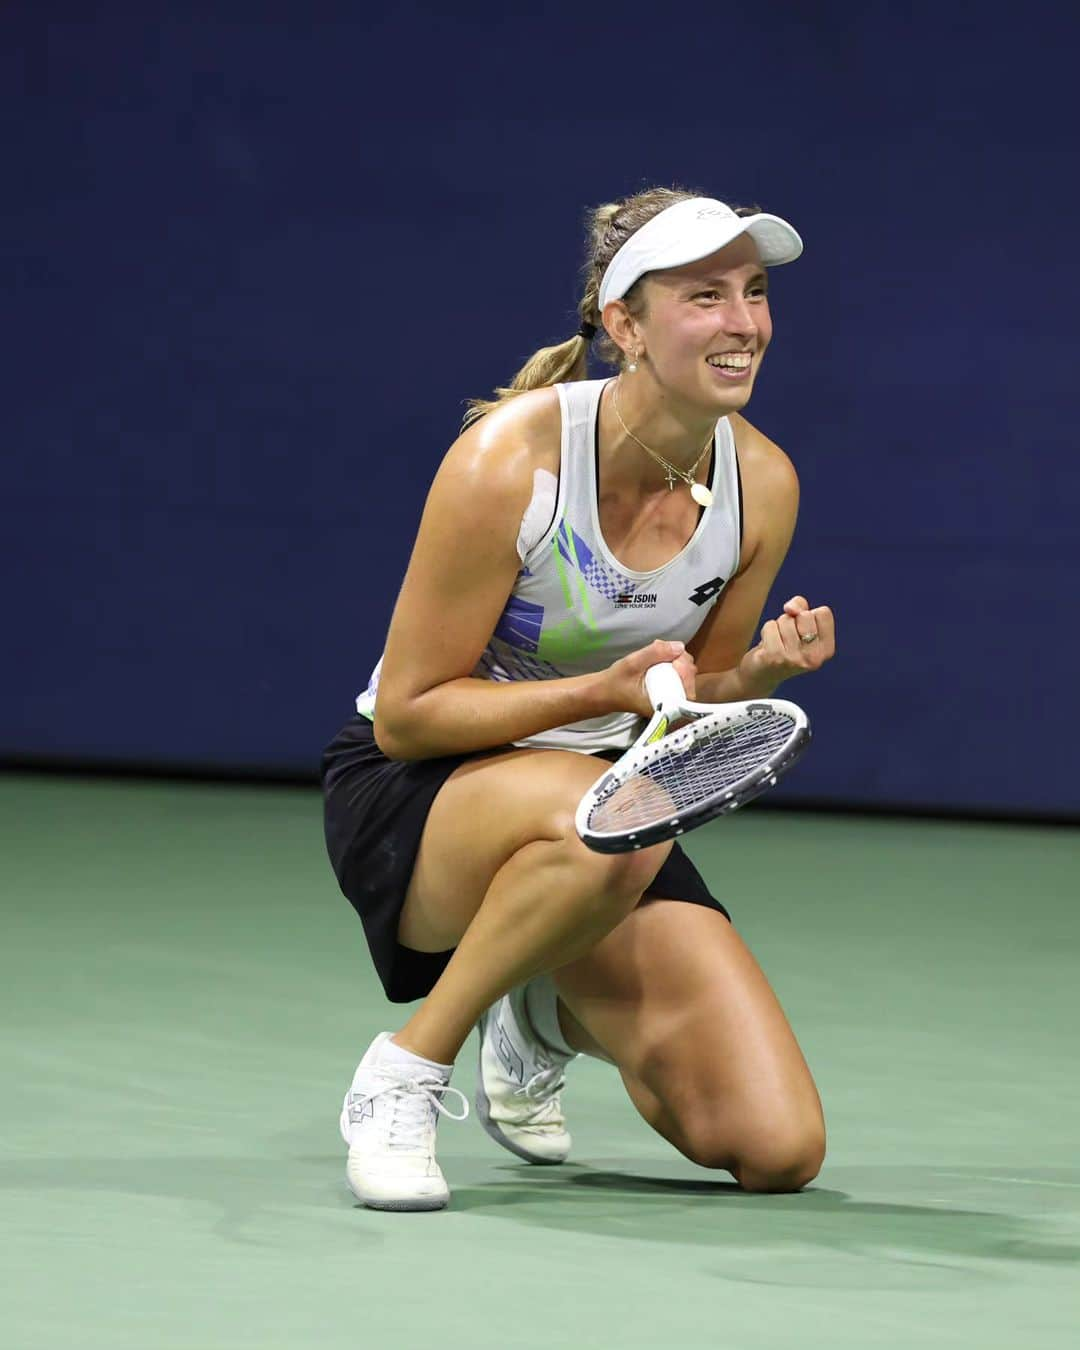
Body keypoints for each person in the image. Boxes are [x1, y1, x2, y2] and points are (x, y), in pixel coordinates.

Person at [322, 186, 836, 1212]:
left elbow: (702, 684)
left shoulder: (762, 483)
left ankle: (539, 1011)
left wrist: (761, 675)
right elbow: (408, 714)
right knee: (626, 815)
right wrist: (597, 691)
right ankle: (406, 1072)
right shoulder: (510, 460)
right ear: (626, 326)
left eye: (755, 292)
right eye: (705, 297)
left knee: (776, 1146)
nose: (743, 324)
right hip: (424, 794)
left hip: (605, 807)